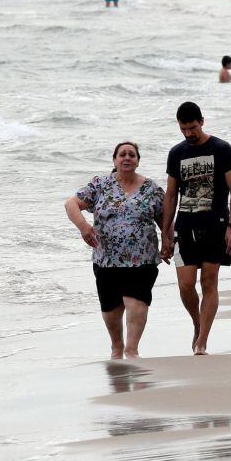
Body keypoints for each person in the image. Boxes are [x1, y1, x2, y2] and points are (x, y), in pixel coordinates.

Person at [64, 142, 165, 359]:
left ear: (138, 160)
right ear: (115, 160)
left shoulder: (152, 189)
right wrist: (84, 227)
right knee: (111, 307)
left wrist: (168, 242)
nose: (127, 158)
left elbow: (164, 219)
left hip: (142, 258)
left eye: (131, 155)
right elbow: (71, 204)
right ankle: (117, 347)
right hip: (106, 258)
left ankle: (132, 349)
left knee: (136, 299)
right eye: (122, 154)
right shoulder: (100, 185)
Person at [160, 102, 231, 356]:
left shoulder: (221, 149)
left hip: (216, 225)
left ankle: (203, 340)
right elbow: (171, 195)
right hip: (185, 226)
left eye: (192, 128)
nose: (188, 134)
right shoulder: (176, 153)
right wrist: (165, 232)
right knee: (185, 285)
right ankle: (198, 323)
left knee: (209, 280)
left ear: (202, 122)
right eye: (183, 129)